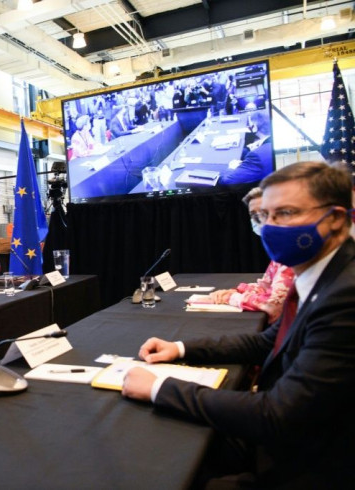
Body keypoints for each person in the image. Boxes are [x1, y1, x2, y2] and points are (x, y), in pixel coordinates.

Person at [122, 162, 355, 487]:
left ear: (336, 220)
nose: (271, 227)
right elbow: (267, 341)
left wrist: (160, 388)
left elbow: (277, 415)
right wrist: (179, 348)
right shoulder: (319, 273)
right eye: (265, 217)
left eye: (286, 213)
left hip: (307, 466)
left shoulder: (345, 293)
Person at [207, 187, 294, 323]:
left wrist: (231, 298)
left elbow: (274, 306)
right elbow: (266, 287)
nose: (260, 220)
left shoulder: (295, 251)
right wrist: (235, 291)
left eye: (264, 213)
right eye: (254, 215)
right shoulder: (280, 250)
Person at [220, 112, 273, 185]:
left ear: (254, 127)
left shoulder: (256, 155)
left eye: (250, 126)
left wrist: (231, 167)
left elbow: (227, 181)